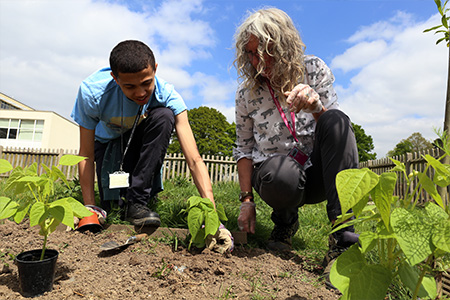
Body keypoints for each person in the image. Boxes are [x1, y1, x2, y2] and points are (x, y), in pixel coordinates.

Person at [232, 7, 359, 280]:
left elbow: (336, 131)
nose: (258, 62)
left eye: (266, 51)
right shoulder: (246, 92)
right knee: (280, 173)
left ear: (284, 45)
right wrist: (246, 201)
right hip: (277, 178)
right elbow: (243, 149)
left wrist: (316, 107)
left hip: (318, 176)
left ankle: (344, 239)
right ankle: (284, 224)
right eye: (251, 54)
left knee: (336, 119)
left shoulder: (313, 69)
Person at [71, 40, 216, 228]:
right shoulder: (92, 92)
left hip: (136, 145)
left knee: (164, 116)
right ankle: (120, 201)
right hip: (107, 147)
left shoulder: (167, 94)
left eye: (146, 83)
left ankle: (138, 201)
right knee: (114, 207)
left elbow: (194, 159)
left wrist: (211, 213)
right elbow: (86, 155)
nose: (140, 93)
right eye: (130, 87)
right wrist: (89, 207)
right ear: (115, 78)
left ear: (155, 69)